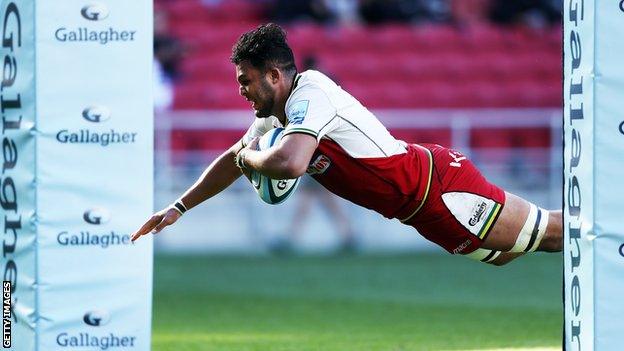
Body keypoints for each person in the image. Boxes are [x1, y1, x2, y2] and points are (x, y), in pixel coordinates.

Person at [131, 23, 562, 265]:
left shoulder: (311, 93)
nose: (242, 91)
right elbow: (232, 159)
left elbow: (289, 164)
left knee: (555, 234)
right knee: (512, 253)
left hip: (438, 189)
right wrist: (178, 207)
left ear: (275, 76)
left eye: (246, 81)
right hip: (417, 209)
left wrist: (250, 156)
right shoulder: (273, 117)